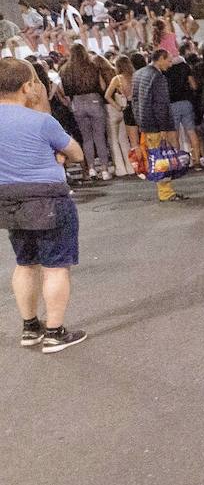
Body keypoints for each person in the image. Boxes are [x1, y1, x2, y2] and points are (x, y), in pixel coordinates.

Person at [0, 58, 89, 353]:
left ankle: (30, 327)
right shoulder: (41, 121)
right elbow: (75, 152)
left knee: (25, 264)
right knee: (55, 267)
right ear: (27, 86)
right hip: (48, 198)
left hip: (9, 200)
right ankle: (55, 332)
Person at [132, 49, 186, 202]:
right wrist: (163, 127)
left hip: (145, 122)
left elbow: (134, 100)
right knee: (162, 158)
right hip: (157, 124)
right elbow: (161, 105)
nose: (170, 65)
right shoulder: (158, 77)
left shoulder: (139, 74)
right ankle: (166, 192)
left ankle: (165, 191)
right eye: (168, 61)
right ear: (160, 59)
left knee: (155, 156)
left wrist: (140, 121)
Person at [59, 45, 112, 181]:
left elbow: (65, 91)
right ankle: (105, 170)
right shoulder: (93, 66)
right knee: (99, 137)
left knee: (86, 138)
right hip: (94, 100)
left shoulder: (65, 69)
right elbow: (102, 86)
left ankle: (91, 168)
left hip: (77, 103)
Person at [103, 55, 136, 177]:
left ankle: (125, 168)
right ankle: (134, 167)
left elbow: (107, 95)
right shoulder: (135, 76)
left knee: (120, 140)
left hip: (125, 109)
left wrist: (117, 107)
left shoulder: (118, 79)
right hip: (136, 108)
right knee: (130, 140)